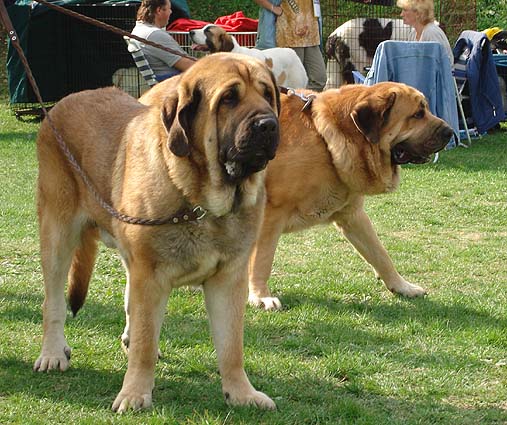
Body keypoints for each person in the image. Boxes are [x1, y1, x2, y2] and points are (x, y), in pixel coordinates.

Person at [253, 0, 327, 91]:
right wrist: (273, 8)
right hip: (287, 38)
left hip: (311, 36)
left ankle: (300, 101)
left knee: (319, 79)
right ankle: (291, 101)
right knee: (294, 83)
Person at [131, 0, 195, 81]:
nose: (171, 12)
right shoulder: (155, 34)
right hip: (171, 82)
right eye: (169, 8)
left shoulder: (139, 29)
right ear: (159, 10)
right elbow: (188, 66)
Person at [397, 0, 454, 66]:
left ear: (418, 13)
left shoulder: (431, 33)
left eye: (405, 10)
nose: (401, 14)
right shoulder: (413, 33)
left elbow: (443, 65)